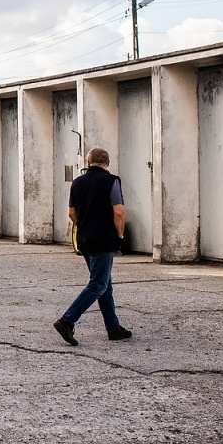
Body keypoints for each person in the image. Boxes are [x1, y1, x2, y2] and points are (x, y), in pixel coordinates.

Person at [54, 147, 133, 345]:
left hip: (85, 239)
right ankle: (67, 320)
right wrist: (120, 234)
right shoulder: (112, 181)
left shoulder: (77, 182)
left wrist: (85, 226)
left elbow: (71, 212)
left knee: (104, 284)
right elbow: (119, 212)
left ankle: (113, 328)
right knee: (98, 284)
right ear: (107, 163)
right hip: (104, 240)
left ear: (89, 162)